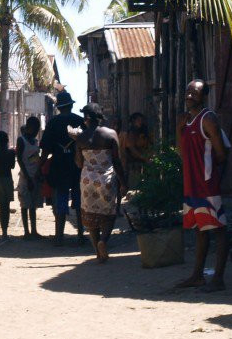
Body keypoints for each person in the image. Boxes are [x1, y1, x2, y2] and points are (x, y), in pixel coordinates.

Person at [176, 80, 230, 291]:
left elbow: (221, 154)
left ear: (203, 96)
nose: (190, 96)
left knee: (218, 230)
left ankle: (219, 278)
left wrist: (210, 174)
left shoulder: (207, 119)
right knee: (200, 230)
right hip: (191, 187)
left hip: (206, 186)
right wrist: (178, 129)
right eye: (188, 92)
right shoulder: (186, 121)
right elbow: (181, 151)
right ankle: (197, 275)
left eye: (195, 93)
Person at [75, 103, 126, 262]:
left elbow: (78, 163)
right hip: (106, 179)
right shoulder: (111, 134)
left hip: (87, 180)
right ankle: (103, 241)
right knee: (108, 214)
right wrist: (123, 182)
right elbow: (117, 161)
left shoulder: (81, 137)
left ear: (86, 118)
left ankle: (97, 252)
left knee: (91, 216)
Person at [40, 90, 85, 243]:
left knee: (61, 201)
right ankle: (80, 235)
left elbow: (45, 149)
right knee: (79, 203)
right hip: (78, 167)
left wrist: (40, 166)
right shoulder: (80, 121)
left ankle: (59, 236)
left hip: (59, 167)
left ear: (58, 107)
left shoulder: (53, 123)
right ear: (71, 106)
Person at [15, 115, 43, 239]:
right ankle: (26, 232)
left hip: (35, 177)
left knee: (33, 206)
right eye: (36, 129)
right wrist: (27, 177)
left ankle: (34, 231)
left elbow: (37, 158)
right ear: (30, 127)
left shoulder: (35, 141)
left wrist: (39, 174)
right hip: (26, 178)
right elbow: (20, 160)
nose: (37, 132)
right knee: (25, 205)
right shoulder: (21, 140)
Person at [119, 112, 152, 189]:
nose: (140, 122)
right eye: (138, 120)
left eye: (141, 120)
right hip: (128, 159)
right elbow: (132, 148)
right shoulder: (130, 132)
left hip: (139, 158)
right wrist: (144, 157)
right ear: (133, 121)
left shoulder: (142, 132)